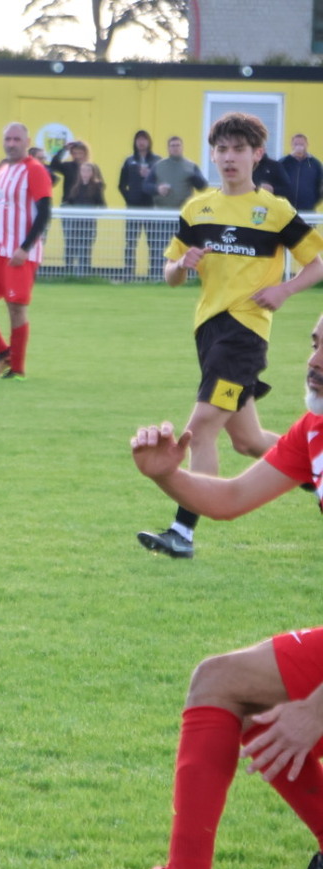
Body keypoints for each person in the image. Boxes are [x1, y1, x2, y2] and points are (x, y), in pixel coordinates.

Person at [96, 314, 323, 869]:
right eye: (316, 343)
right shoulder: (315, 429)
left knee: (249, 695)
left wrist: (316, 708)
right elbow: (230, 498)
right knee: (228, 686)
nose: (315, 361)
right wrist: (167, 475)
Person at [136, 112, 323, 560]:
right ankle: (314, 470)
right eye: (221, 149)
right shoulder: (197, 209)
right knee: (248, 441)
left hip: (244, 334)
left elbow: (317, 263)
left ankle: (182, 533)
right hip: (208, 331)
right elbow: (170, 275)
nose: (229, 157)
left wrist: (284, 289)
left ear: (257, 154)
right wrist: (181, 266)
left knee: (200, 429)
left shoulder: (275, 211)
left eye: (239, 149)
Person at [0, 122, 52, 381]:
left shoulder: (35, 170)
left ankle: (17, 369)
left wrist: (25, 247)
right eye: (8, 139)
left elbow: (45, 213)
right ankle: (3, 353)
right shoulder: (3, 168)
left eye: (17, 139)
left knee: (16, 309)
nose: (12, 144)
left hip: (20, 251)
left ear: (27, 142)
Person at [150, 135, 208, 272]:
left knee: (184, 245)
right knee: (160, 246)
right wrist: (157, 189)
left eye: (177, 145)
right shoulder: (159, 166)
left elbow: (202, 186)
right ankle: (157, 274)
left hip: (183, 216)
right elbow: (146, 185)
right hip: (162, 214)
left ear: (182, 147)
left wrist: (193, 176)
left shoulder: (190, 166)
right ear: (168, 148)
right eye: (172, 146)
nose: (175, 148)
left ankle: (183, 273)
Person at [118, 129, 161, 278]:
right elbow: (121, 185)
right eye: (139, 139)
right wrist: (129, 198)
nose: (141, 142)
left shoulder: (157, 161)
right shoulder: (129, 161)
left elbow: (162, 183)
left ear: (149, 142)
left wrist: (149, 175)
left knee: (154, 242)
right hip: (133, 208)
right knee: (131, 242)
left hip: (151, 207)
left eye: (144, 139)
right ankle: (129, 273)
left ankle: (154, 274)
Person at [62, 160, 106, 276]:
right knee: (70, 247)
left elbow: (102, 204)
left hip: (88, 223)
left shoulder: (96, 187)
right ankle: (69, 272)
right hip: (75, 223)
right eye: (83, 170)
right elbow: (69, 201)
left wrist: (93, 213)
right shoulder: (75, 187)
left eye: (88, 171)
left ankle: (83, 273)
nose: (85, 173)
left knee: (85, 248)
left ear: (92, 173)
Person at [281, 133, 323, 213]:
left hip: (308, 208)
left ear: (307, 145)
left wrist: (313, 201)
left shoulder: (315, 164)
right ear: (292, 145)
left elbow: (320, 185)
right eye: (296, 144)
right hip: (286, 208)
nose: (299, 147)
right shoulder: (284, 162)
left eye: (301, 144)